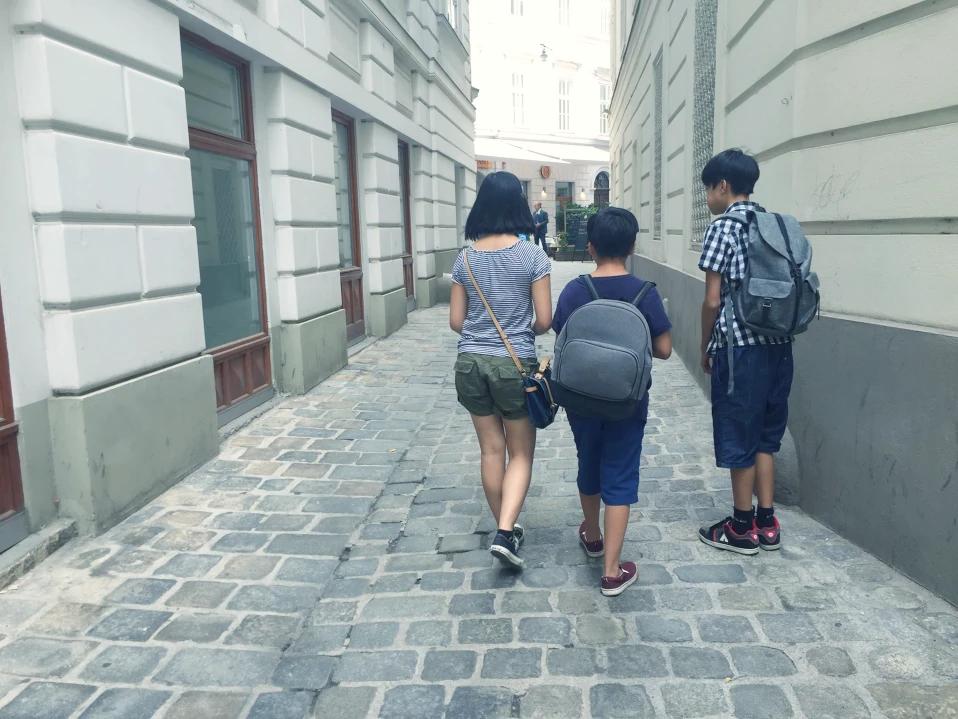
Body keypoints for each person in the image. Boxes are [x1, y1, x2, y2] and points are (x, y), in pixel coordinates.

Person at [552, 207, 672, 595]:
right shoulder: (645, 293)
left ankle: (591, 534)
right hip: (628, 402)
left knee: (588, 461)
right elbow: (665, 349)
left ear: (590, 247)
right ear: (633, 245)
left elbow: (561, 337)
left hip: (581, 400)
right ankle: (612, 570)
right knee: (619, 472)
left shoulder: (576, 290)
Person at [450, 171, 553, 568]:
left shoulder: (466, 258)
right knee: (521, 453)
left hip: (470, 363)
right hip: (514, 365)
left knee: (491, 449)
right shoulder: (532, 256)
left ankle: (504, 527)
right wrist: (523, 330)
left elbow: (456, 321)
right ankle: (506, 531)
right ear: (519, 205)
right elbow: (544, 319)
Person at [696, 149, 792, 555]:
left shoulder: (723, 229)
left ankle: (739, 527)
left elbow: (713, 301)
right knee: (767, 438)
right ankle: (767, 522)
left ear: (722, 186)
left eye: (707, 190)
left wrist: (706, 345)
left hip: (740, 351)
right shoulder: (777, 226)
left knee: (739, 434)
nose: (707, 199)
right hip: (779, 346)